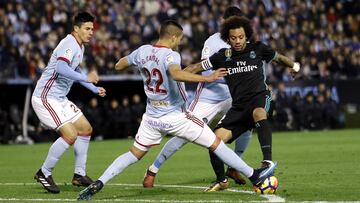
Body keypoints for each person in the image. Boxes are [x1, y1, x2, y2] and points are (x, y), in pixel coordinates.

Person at [77, 20, 276, 201]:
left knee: (134, 153)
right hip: (176, 116)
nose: (179, 43)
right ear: (173, 37)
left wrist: (134, 64)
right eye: (179, 39)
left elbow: (119, 64)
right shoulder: (171, 55)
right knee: (216, 143)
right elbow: (176, 74)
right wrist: (207, 78)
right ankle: (255, 175)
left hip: (152, 117)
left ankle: (100, 181)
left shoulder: (142, 51)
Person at [181, 15, 300, 191]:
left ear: (247, 36)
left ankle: (267, 161)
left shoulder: (258, 48)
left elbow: (279, 58)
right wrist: (176, 74)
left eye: (241, 37)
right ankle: (221, 180)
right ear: (228, 39)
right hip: (238, 107)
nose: (237, 41)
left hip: (261, 98)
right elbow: (195, 68)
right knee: (214, 139)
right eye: (233, 38)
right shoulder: (222, 56)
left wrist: (294, 66)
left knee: (259, 113)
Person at [142, 6, 252, 192]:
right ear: (223, 23)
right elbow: (206, 68)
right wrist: (232, 71)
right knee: (184, 133)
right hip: (210, 96)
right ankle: (153, 169)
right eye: (231, 23)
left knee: (247, 126)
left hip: (234, 95)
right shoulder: (213, 42)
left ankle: (233, 167)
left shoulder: (244, 42)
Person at [31, 12, 106, 193]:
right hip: (45, 98)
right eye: (87, 29)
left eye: (92, 29)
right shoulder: (69, 43)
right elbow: (61, 67)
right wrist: (86, 77)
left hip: (60, 99)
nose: (91, 32)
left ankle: (79, 175)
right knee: (71, 135)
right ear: (76, 28)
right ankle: (44, 172)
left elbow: (76, 70)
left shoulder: (80, 47)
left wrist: (93, 87)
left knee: (85, 129)